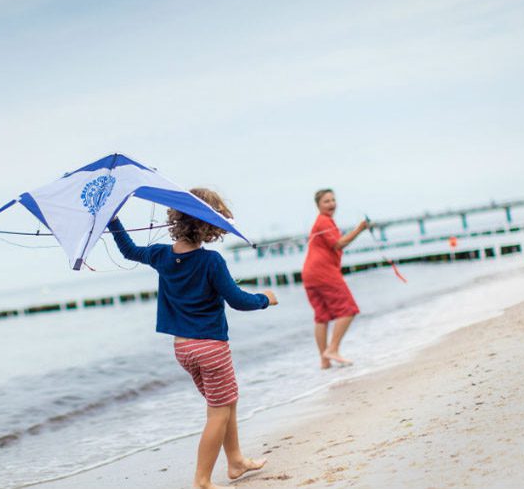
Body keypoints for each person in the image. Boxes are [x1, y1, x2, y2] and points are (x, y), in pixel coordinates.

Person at [107, 187, 278, 489]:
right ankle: (202, 480)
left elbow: (129, 250)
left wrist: (113, 221)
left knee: (226, 402)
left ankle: (236, 461)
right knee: (218, 412)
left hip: (183, 349)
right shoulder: (211, 262)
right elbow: (238, 300)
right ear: (209, 227)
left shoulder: (160, 255)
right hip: (211, 347)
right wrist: (265, 298)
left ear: (175, 220)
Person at [301, 189, 368, 368]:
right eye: (326, 201)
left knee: (321, 316)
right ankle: (333, 349)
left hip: (309, 274)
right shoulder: (323, 221)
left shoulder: (323, 222)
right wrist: (360, 229)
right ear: (318, 205)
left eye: (333, 200)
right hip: (323, 272)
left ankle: (325, 361)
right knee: (349, 309)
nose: (331, 204)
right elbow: (339, 244)